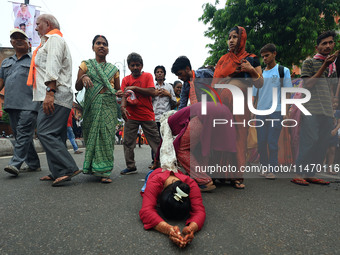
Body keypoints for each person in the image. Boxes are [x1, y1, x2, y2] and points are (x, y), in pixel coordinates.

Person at [28, 14, 81, 186]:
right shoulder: (47, 42)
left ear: (47, 24)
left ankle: (68, 167)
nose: (35, 28)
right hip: (51, 94)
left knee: (45, 132)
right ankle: (57, 171)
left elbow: (53, 65)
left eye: (38, 24)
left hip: (55, 94)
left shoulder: (54, 40)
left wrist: (50, 92)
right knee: (56, 135)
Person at [213, 26, 263, 189]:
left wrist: (250, 70)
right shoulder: (223, 60)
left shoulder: (252, 59)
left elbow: (260, 83)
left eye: (235, 37)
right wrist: (227, 80)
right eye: (229, 37)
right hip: (223, 102)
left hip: (241, 105)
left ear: (242, 38)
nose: (231, 40)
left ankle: (236, 176)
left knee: (239, 136)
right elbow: (214, 83)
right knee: (222, 134)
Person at [291, 31, 339, 186]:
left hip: (326, 109)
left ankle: (310, 174)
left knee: (323, 142)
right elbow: (308, 84)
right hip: (310, 108)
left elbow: (331, 89)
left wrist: (333, 108)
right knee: (310, 140)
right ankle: (298, 173)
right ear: (317, 47)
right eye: (324, 43)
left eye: (330, 42)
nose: (328, 46)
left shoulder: (332, 67)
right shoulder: (309, 63)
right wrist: (324, 65)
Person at [75, 35, 120, 183]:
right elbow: (77, 87)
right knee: (92, 135)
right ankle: (93, 167)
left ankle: (104, 170)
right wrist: (83, 78)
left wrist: (124, 101)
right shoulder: (85, 65)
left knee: (106, 136)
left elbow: (118, 91)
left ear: (108, 49)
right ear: (93, 47)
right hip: (92, 106)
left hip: (108, 105)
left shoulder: (114, 70)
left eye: (105, 44)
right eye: (98, 43)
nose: (101, 46)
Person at [162, 102, 237, 191]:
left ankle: (204, 180)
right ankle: (205, 174)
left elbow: (164, 146)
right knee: (202, 148)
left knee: (181, 149)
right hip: (223, 114)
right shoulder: (180, 113)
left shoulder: (168, 123)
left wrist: (156, 161)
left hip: (205, 117)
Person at [0, 28, 40, 176]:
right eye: (15, 38)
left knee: (23, 133)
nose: (18, 40)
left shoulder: (35, 59)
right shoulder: (6, 62)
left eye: (21, 38)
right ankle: (34, 164)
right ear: (11, 42)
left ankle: (15, 164)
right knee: (22, 136)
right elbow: (1, 81)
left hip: (30, 104)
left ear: (28, 43)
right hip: (11, 105)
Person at [253, 43, 292, 180]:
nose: (264, 59)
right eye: (263, 56)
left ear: (274, 54)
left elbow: (287, 92)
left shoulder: (283, 71)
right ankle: (264, 167)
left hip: (277, 110)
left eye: (267, 55)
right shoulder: (260, 74)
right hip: (261, 111)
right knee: (262, 141)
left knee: (272, 141)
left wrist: (285, 110)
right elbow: (254, 94)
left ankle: (272, 169)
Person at [139, 167, 205, 248]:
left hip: (176, 172)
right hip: (154, 173)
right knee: (146, 187)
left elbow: (199, 211)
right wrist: (168, 229)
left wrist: (191, 229)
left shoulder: (191, 184)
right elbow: (146, 211)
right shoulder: (154, 183)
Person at [119, 52, 161, 175]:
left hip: (147, 114)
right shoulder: (126, 80)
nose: (135, 67)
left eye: (138, 65)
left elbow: (152, 92)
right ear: (129, 66)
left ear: (142, 66)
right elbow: (123, 95)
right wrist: (122, 107)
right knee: (128, 142)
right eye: (132, 65)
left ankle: (160, 164)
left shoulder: (147, 76)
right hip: (131, 116)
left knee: (155, 141)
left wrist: (135, 88)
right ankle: (131, 166)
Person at [151, 65, 176, 165]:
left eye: (161, 72)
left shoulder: (169, 87)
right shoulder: (152, 86)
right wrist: (154, 93)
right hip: (154, 117)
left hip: (166, 118)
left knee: (166, 140)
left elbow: (174, 102)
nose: (160, 73)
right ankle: (155, 161)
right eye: (158, 72)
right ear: (155, 75)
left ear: (164, 74)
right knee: (155, 140)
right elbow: (147, 101)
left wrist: (168, 94)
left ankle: (166, 161)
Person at [325, 100, 340, 174]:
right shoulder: (326, 111)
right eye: (333, 102)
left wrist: (336, 130)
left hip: (334, 133)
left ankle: (329, 169)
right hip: (326, 132)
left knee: (332, 150)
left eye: (336, 102)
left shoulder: (338, 112)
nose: (335, 104)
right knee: (324, 149)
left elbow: (339, 123)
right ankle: (320, 166)